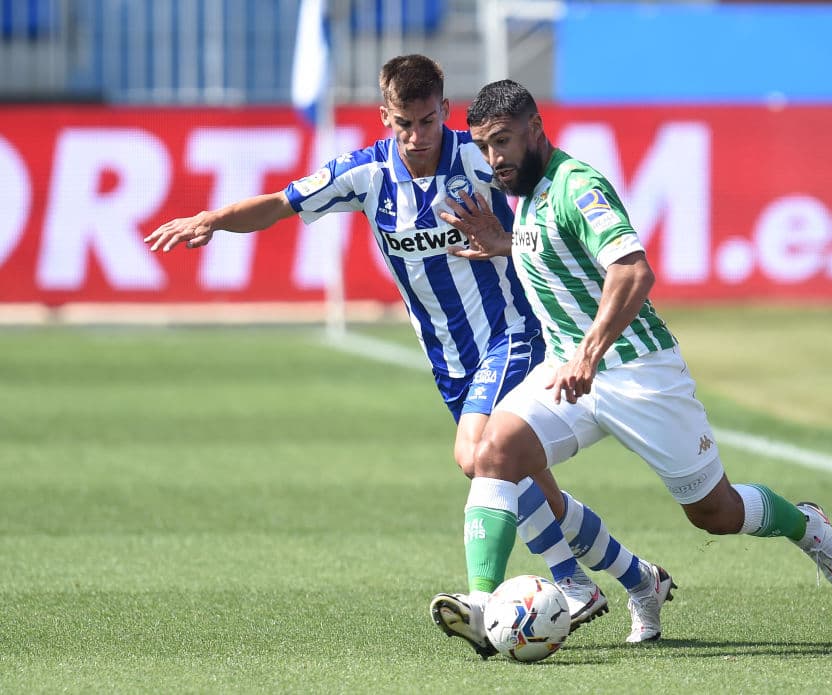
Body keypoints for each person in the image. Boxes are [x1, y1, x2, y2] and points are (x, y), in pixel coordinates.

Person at [144, 55, 674, 657]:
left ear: (444, 110)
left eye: (426, 121)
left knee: (475, 456)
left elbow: (549, 215)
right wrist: (212, 218)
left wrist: (512, 249)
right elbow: (281, 203)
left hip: (512, 334)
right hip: (450, 360)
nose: (416, 137)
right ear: (384, 117)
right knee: (517, 476)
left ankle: (525, 592)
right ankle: (635, 578)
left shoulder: (482, 159)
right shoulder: (366, 173)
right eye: (403, 124)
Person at [430, 78, 832, 657]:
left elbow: (632, 271)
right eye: (485, 147)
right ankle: (482, 606)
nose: (495, 159)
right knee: (495, 452)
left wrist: (590, 352)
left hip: (638, 374)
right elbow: (556, 254)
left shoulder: (577, 185)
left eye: (503, 142)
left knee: (715, 512)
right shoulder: (529, 197)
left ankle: (804, 525)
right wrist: (507, 243)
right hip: (569, 376)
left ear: (536, 128)